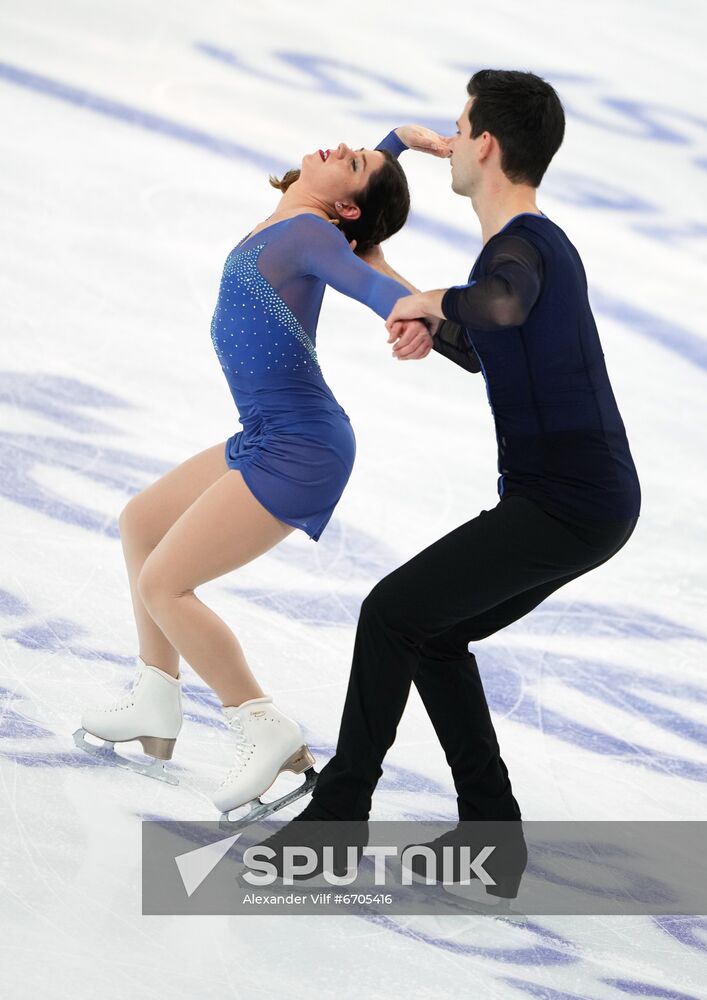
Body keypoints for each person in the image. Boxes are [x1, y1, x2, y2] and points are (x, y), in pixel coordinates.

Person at [269, 69, 641, 899]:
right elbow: (485, 340)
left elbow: (497, 307)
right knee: (430, 632)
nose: (452, 132)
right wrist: (424, 314)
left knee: (390, 611)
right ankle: (491, 834)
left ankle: (336, 822)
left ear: (485, 145)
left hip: (567, 502)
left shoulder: (522, 249)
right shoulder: (520, 250)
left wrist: (436, 300)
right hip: (574, 502)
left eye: (461, 120)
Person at [73, 125, 448, 822]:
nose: (341, 145)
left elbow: (372, 283)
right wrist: (396, 143)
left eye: (355, 159)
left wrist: (421, 314)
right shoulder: (306, 215)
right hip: (268, 432)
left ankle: (264, 730)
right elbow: (361, 204)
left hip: (300, 448)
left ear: (346, 213)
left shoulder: (311, 235)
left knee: (165, 583)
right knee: (143, 524)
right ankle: (156, 696)